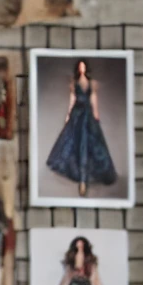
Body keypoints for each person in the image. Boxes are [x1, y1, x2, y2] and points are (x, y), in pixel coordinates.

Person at [45, 59, 117, 197]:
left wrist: (96, 114)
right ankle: (81, 178)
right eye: (80, 67)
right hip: (77, 114)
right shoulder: (74, 83)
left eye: (83, 67)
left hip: (87, 114)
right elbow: (72, 99)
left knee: (91, 142)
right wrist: (68, 115)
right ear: (77, 69)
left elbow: (93, 98)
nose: (82, 69)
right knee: (74, 141)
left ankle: (85, 178)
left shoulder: (92, 83)